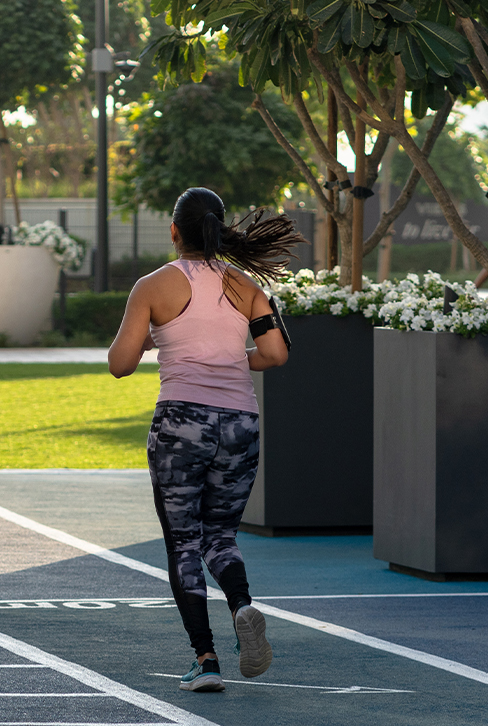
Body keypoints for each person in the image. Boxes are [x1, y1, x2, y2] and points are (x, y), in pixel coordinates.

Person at [108, 187, 300, 693]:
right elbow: (276, 354)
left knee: (183, 544)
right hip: (240, 423)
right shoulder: (247, 286)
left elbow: (119, 364)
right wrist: (235, 360)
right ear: (218, 230)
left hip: (181, 424)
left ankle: (206, 658)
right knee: (221, 538)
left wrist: (154, 336)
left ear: (174, 232)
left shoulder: (153, 286)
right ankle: (243, 604)